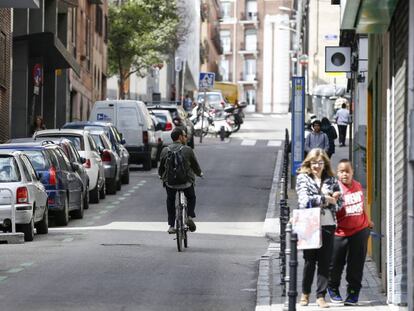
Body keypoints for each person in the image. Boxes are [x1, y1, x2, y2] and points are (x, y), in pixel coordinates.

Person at [296, 148, 341, 308]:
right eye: (314, 163)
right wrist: (325, 199)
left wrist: (336, 199)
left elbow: (339, 203)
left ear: (325, 164)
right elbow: (303, 200)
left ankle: (320, 296)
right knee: (309, 261)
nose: (317, 166)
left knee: (324, 261)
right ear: (309, 163)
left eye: (320, 163)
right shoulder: (303, 178)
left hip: (328, 223)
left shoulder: (331, 179)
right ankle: (305, 293)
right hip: (309, 224)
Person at [327, 159, 374, 306]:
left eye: (347, 171)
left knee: (356, 265)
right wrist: (333, 200)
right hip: (339, 233)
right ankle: (333, 288)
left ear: (352, 172)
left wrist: (368, 221)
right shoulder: (335, 189)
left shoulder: (358, 185)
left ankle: (353, 293)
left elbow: (361, 205)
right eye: (341, 171)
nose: (344, 174)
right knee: (335, 264)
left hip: (360, 231)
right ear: (337, 172)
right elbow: (328, 210)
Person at [158, 127, 203, 234]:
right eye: (184, 136)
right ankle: (189, 216)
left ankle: (171, 225)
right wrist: (199, 173)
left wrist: (161, 176)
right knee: (191, 197)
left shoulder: (165, 150)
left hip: (170, 184)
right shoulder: (187, 150)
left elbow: (161, 169)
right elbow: (195, 166)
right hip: (186, 183)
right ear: (180, 137)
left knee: (170, 200)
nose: (186, 138)